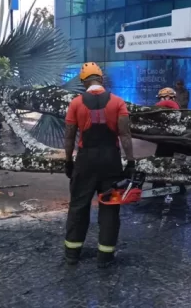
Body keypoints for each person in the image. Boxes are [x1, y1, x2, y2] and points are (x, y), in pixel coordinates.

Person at [63, 62, 135, 268]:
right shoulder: (118, 102)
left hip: (85, 162)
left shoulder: (76, 103)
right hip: (110, 163)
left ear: (83, 82)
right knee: (109, 208)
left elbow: (69, 136)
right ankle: (105, 256)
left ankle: (72, 254)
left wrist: (68, 161)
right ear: (101, 79)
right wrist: (130, 162)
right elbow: (125, 135)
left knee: (78, 206)